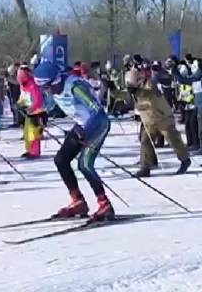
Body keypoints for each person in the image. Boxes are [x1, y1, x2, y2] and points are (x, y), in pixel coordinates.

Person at [33, 61, 115, 221]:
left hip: (98, 125)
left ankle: (104, 204)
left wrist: (86, 132)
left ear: (55, 81)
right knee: (61, 160)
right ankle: (78, 201)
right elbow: (52, 106)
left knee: (84, 164)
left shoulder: (75, 87)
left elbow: (96, 111)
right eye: (43, 88)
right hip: (82, 125)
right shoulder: (54, 90)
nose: (46, 91)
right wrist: (39, 114)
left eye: (47, 87)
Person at [126, 68, 191, 178]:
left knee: (173, 140)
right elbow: (124, 95)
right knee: (145, 142)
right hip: (149, 121)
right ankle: (145, 167)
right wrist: (113, 89)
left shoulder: (150, 84)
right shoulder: (134, 90)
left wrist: (137, 91)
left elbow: (150, 94)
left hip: (163, 118)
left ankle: (185, 160)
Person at [17, 66, 45, 159]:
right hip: (29, 112)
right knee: (26, 132)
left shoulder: (33, 85)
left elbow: (38, 100)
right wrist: (20, 104)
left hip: (37, 112)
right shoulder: (23, 85)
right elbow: (23, 97)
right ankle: (29, 150)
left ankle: (35, 152)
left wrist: (31, 108)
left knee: (33, 133)